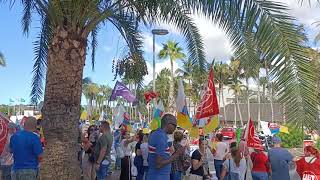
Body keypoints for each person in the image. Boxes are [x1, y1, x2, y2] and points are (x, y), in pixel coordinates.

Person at [147, 114, 185, 180]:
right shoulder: (161, 137)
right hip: (159, 176)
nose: (175, 128)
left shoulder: (156, 134)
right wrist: (176, 154)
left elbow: (153, 157)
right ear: (168, 124)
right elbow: (159, 164)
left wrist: (169, 153)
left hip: (155, 175)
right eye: (174, 125)